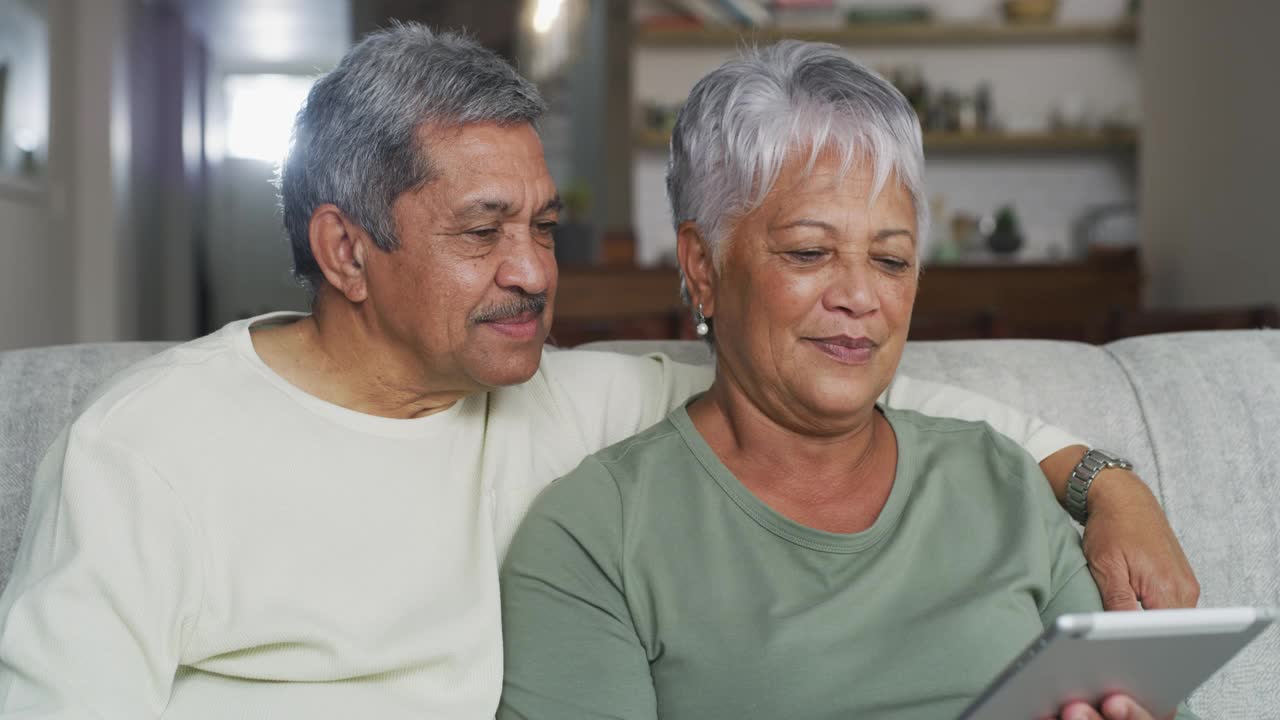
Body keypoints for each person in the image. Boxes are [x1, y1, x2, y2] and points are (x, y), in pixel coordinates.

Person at [0, 25, 1192, 719]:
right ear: (344, 251)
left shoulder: (553, 393)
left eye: (544, 227)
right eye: (482, 232)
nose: (532, 274)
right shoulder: (146, 453)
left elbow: (835, 381)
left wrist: (1099, 475)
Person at [497, 42, 1194, 720]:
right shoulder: (595, 537)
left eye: (891, 261)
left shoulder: (1002, 479)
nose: (861, 296)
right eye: (809, 252)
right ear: (703, 269)